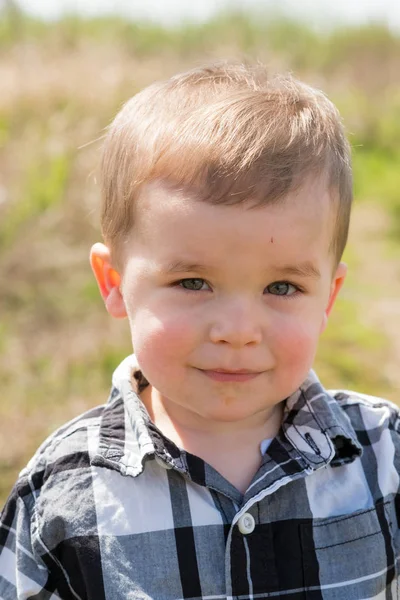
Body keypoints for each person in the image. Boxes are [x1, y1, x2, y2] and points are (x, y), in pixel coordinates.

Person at [0, 61, 399, 600]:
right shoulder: (63, 494)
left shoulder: (383, 457)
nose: (237, 331)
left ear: (328, 297)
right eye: (193, 282)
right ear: (114, 282)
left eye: (282, 288)